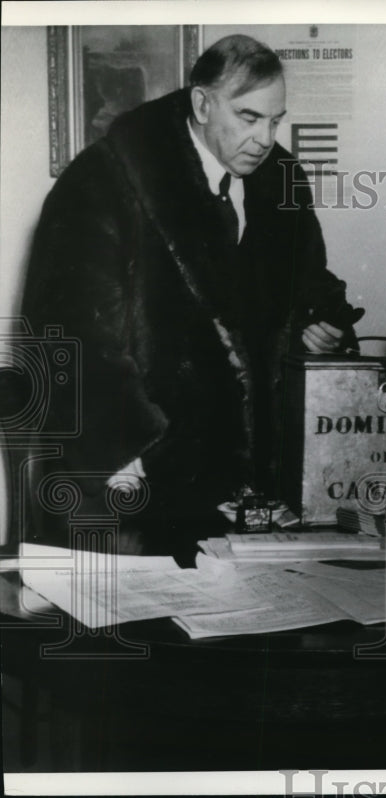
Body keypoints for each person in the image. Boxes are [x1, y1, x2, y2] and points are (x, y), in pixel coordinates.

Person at [20, 35, 362, 553]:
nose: (266, 138)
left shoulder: (281, 180)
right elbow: (70, 333)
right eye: (249, 117)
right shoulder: (102, 181)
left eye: (275, 120)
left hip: (251, 487)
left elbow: (305, 282)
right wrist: (130, 453)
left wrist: (319, 325)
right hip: (141, 477)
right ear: (202, 104)